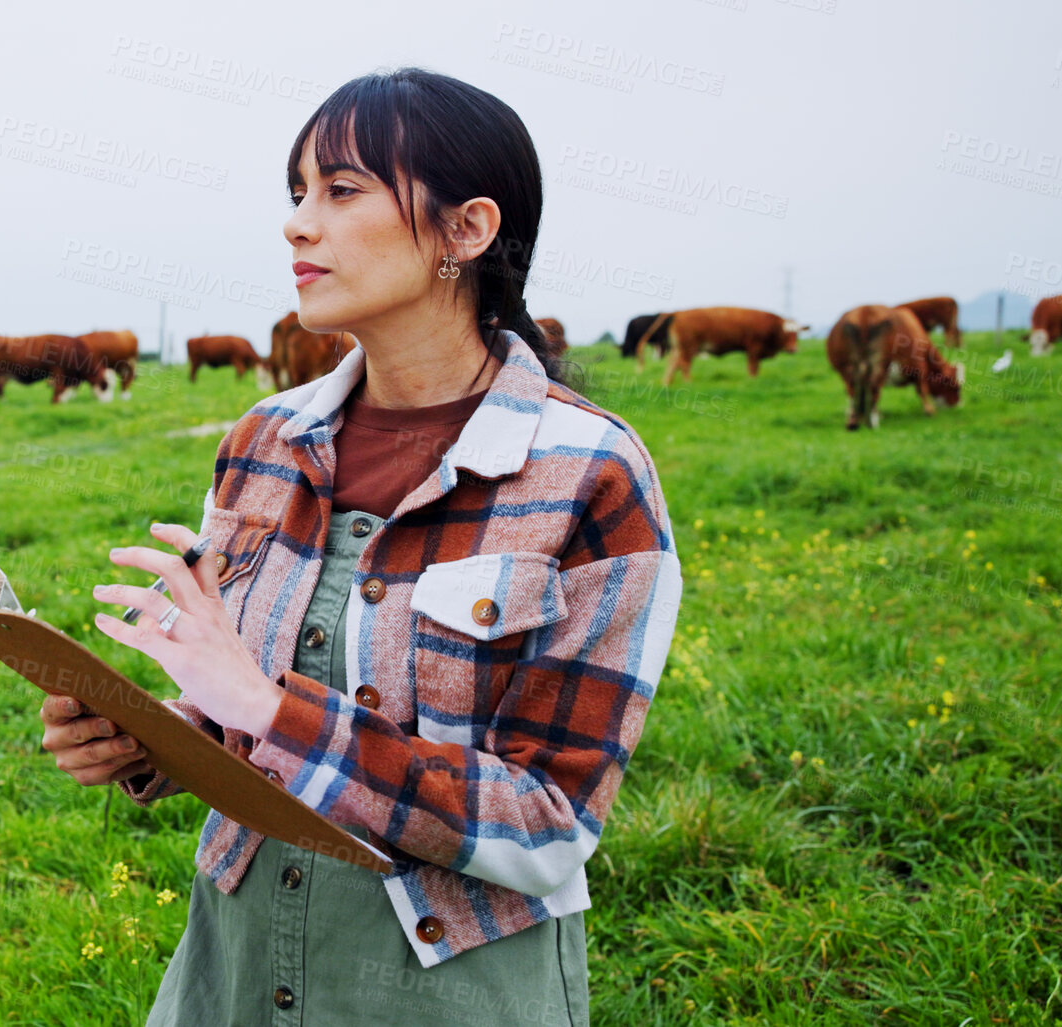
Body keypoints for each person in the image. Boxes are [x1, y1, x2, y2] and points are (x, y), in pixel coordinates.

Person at [38, 67, 682, 1024]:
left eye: (341, 191)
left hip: (445, 986)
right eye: (296, 195)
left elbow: (548, 826)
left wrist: (263, 704)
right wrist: (156, 735)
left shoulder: (589, 473)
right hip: (236, 966)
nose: (299, 224)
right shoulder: (263, 441)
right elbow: (244, 717)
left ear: (466, 230)